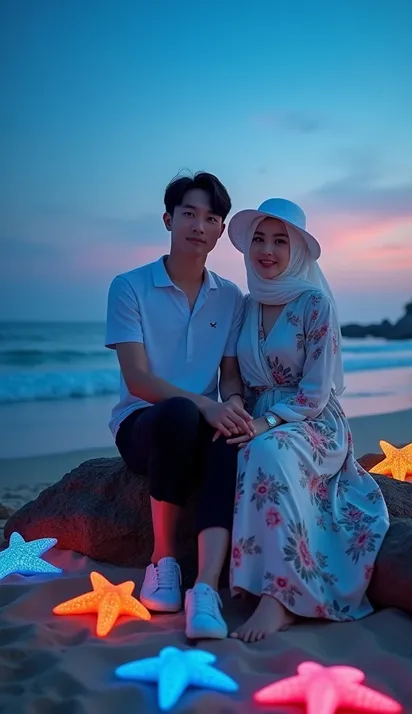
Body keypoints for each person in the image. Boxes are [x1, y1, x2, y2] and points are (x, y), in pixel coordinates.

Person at [224, 197, 390, 643]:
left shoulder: (314, 302)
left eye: (280, 241)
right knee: (231, 449)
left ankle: (280, 599)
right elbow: (232, 374)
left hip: (312, 420)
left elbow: (316, 392)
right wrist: (237, 405)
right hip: (257, 415)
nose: (267, 250)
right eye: (259, 239)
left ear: (297, 249)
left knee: (267, 450)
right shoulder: (246, 304)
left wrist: (266, 424)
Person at [105, 171, 255, 640]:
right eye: (189, 214)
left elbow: (229, 374)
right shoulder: (129, 286)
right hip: (144, 425)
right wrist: (204, 405)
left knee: (231, 430)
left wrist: (230, 406)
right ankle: (162, 561)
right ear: (169, 219)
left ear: (219, 230)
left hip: (200, 423)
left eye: (211, 218)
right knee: (179, 412)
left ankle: (206, 587)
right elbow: (138, 379)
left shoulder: (230, 296)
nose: (199, 225)